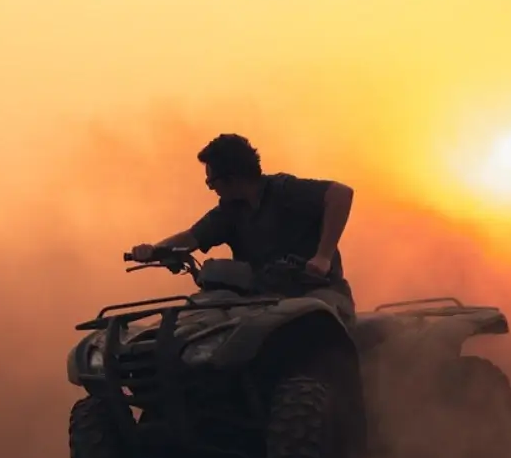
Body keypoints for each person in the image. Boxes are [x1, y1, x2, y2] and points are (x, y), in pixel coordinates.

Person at [129, 133, 357, 323]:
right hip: (262, 299)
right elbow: (191, 237)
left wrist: (323, 257)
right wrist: (154, 250)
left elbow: (341, 194)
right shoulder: (230, 211)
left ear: (232, 177)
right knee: (199, 317)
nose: (211, 188)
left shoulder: (283, 190)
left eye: (212, 182)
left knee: (307, 326)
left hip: (320, 291)